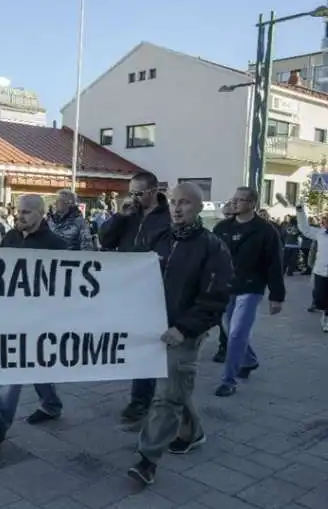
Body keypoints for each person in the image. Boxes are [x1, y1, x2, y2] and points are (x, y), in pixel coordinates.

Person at [127, 183, 232, 486]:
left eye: (184, 203)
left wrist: (184, 328)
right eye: (173, 202)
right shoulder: (159, 238)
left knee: (166, 397)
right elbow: (129, 267)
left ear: (199, 207)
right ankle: (193, 433)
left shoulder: (213, 247)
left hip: (184, 332)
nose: (176, 207)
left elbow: (214, 298)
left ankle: (148, 460)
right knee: (176, 389)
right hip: (151, 327)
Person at [0, 194, 66, 445]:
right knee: (33, 363)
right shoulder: (11, 237)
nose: (19, 215)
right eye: (17, 211)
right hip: (12, 314)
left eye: (25, 212)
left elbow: (65, 285)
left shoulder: (56, 245)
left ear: (40, 214)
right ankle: (51, 404)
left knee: (15, 366)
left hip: (40, 319)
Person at [99, 171, 171, 424]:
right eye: (131, 192)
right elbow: (105, 239)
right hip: (125, 287)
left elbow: (166, 253)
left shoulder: (168, 217)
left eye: (139, 193)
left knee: (146, 344)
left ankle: (141, 399)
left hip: (152, 289)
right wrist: (120, 216)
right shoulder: (130, 215)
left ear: (153, 191)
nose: (135, 197)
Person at [212, 187, 285, 397]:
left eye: (240, 200)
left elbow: (275, 264)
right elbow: (213, 257)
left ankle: (229, 380)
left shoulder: (265, 231)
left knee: (236, 334)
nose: (234, 203)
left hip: (251, 289)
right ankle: (250, 360)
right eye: (233, 199)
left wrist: (276, 296)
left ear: (252, 204)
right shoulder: (222, 228)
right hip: (226, 288)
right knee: (229, 330)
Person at [295, 204, 328, 331]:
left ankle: (326, 318)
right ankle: (323, 311)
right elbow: (305, 228)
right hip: (320, 271)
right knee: (319, 299)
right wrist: (300, 211)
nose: (324, 222)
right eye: (324, 220)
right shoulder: (320, 233)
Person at [212, 201, 236, 363]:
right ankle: (224, 343)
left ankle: (226, 345)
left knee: (230, 317)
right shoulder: (219, 229)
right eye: (225, 214)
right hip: (220, 277)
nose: (227, 217)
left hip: (238, 280)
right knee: (219, 315)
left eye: (230, 215)